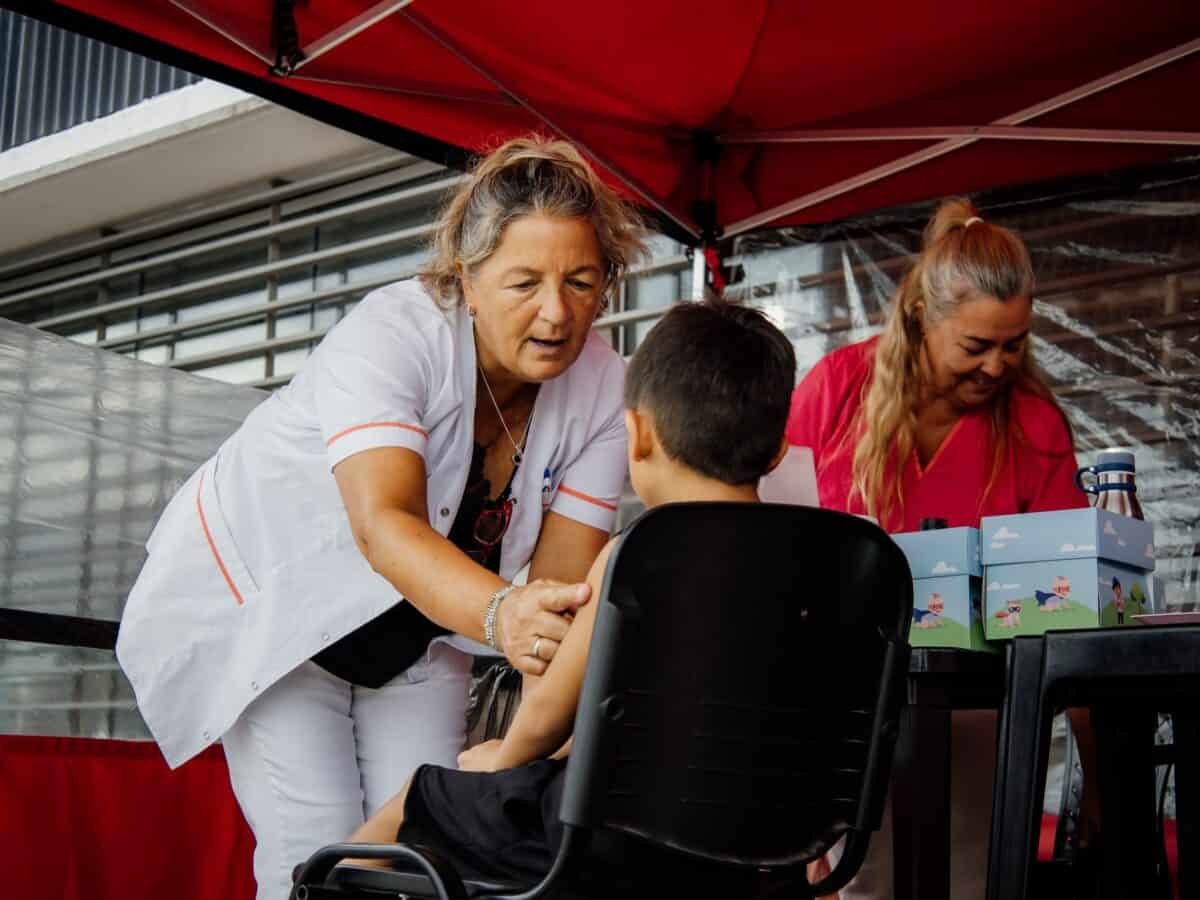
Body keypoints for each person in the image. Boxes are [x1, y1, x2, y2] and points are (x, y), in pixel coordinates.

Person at [115, 136, 647, 899]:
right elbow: (384, 522)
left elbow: (556, 600)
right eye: (524, 282)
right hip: (282, 615)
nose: (556, 312)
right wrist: (505, 614)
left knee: (423, 853)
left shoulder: (603, 384)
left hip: (420, 633)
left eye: (583, 281)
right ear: (467, 277)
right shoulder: (395, 332)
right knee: (319, 854)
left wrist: (524, 750)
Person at [340, 298, 796, 884]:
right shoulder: (829, 562)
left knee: (416, 799)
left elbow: (551, 711)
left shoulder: (640, 557)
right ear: (779, 448)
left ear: (638, 434)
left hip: (610, 836)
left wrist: (500, 762)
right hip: (757, 840)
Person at [787, 197, 1087, 899]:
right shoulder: (835, 389)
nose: (997, 367)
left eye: (1014, 344)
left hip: (980, 725)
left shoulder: (1037, 426)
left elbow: (1068, 610)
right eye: (976, 346)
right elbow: (784, 560)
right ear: (923, 315)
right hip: (840, 714)